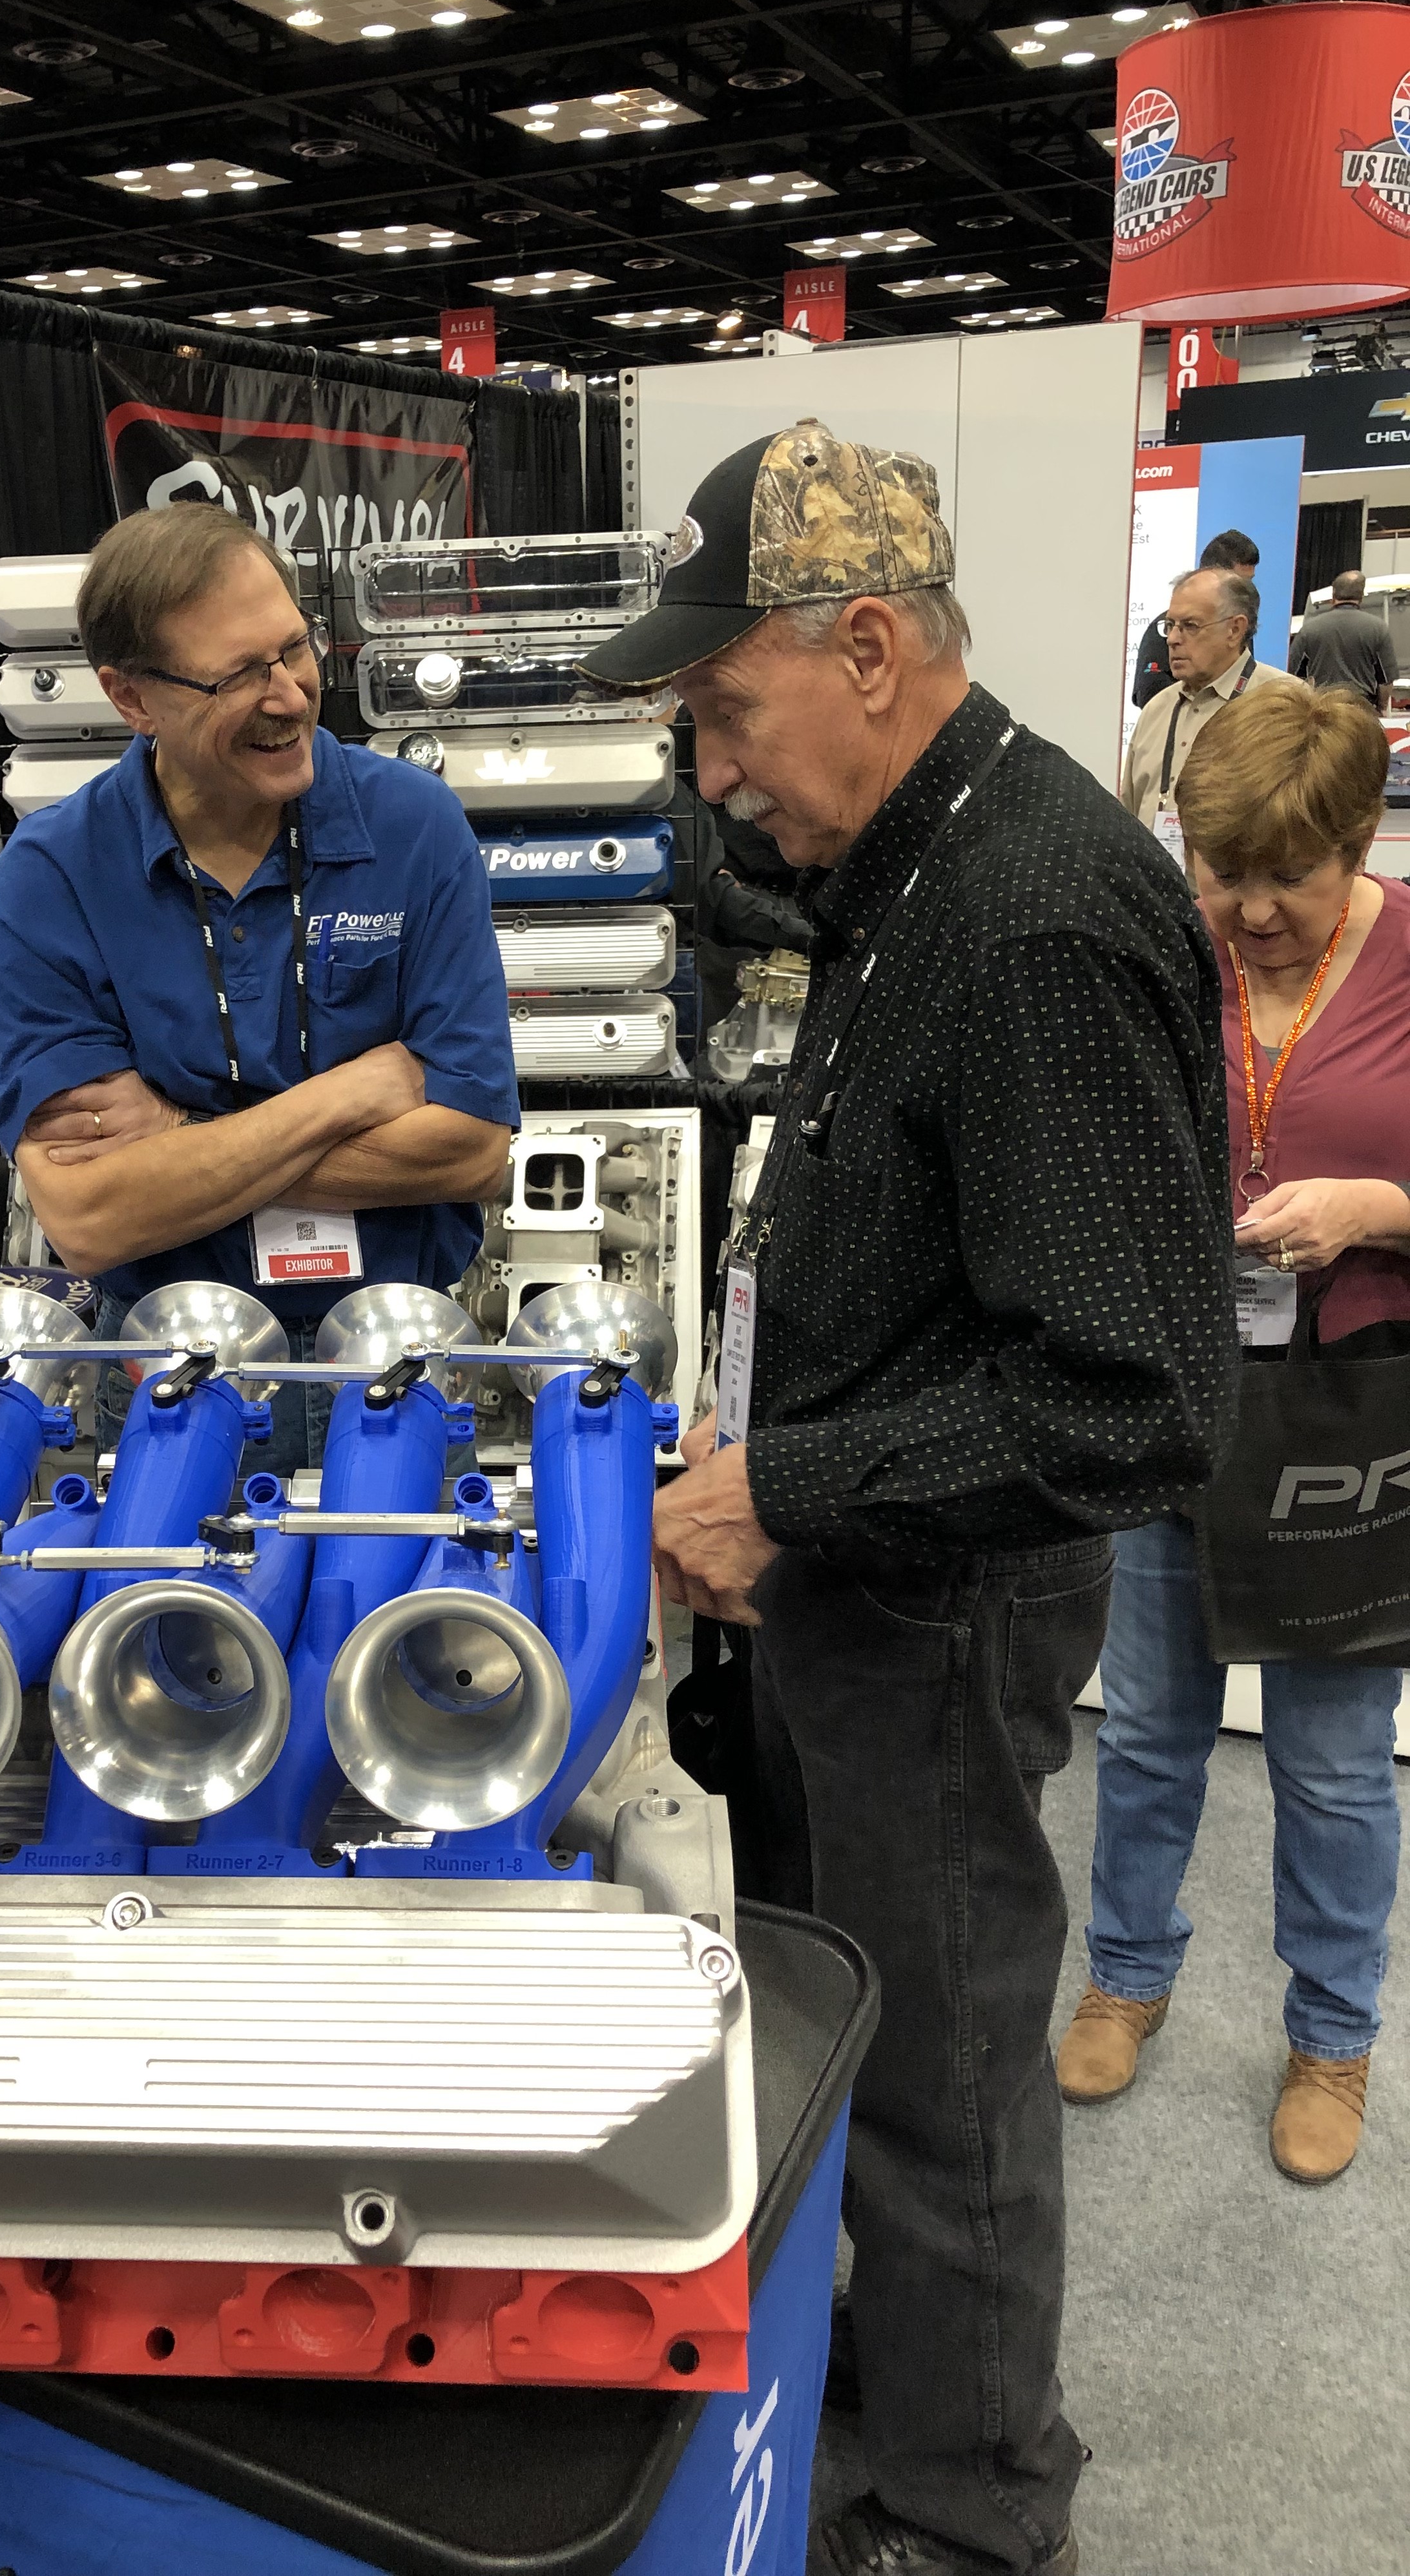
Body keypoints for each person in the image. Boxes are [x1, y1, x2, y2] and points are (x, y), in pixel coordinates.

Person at [583, 417, 1236, 2576]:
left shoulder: (1035, 913)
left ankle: (975, 2513)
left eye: (723, 710)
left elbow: (1134, 1402)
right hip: (862, 1569)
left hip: (935, 1598)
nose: (710, 774)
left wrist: (792, 1485)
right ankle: (902, 2368)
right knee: (863, 2011)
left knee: (946, 2064)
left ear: (867, 648)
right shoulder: (924, 861)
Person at [1057, 678, 1409, 2185]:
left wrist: (1375, 1210)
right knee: (1147, 1729)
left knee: (1331, 1761)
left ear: (1361, 842)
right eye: (1224, 873)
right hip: (1176, 1395)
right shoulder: (1166, 950)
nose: (1253, 911)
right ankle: (1126, 1976)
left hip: (1349, 1404)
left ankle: (1333, 2032)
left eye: (1289, 879)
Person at [0, 503, 518, 1468]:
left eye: (294, 648)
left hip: (400, 1353)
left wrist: (176, 1139)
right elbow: (90, 1217)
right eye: (237, 676)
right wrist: (350, 1096)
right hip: (173, 1370)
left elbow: (472, 1151)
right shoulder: (51, 878)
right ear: (132, 698)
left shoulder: (413, 825)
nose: (290, 696)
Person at [1120, 564, 1294, 847]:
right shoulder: (1157, 710)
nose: (1173, 639)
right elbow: (1128, 814)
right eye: (1170, 626)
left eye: (1190, 626)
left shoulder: (1287, 705)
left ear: (1234, 630)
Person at [1130, 527, 1258, 711]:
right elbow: (1149, 693)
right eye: (1240, 583)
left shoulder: (1238, 626)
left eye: (1250, 582)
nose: (1248, 592)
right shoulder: (1164, 628)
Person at [1289, 568, 1397, 712]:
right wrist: (1380, 708)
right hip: (1360, 709)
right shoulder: (1378, 628)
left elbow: (1293, 673)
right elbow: (1386, 680)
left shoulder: (1309, 629)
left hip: (1322, 708)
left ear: (1333, 595)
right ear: (1361, 596)